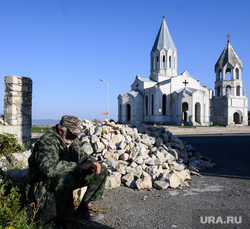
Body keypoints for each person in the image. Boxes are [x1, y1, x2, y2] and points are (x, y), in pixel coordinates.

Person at [26, 115, 108, 228]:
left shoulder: (71, 139)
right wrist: (80, 167)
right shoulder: (47, 141)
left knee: (102, 170)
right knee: (65, 178)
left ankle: (83, 209)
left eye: (76, 134)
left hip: (64, 179)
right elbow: (49, 169)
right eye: (73, 134)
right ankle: (68, 220)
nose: (75, 137)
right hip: (43, 184)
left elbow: (82, 156)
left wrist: (93, 163)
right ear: (61, 131)